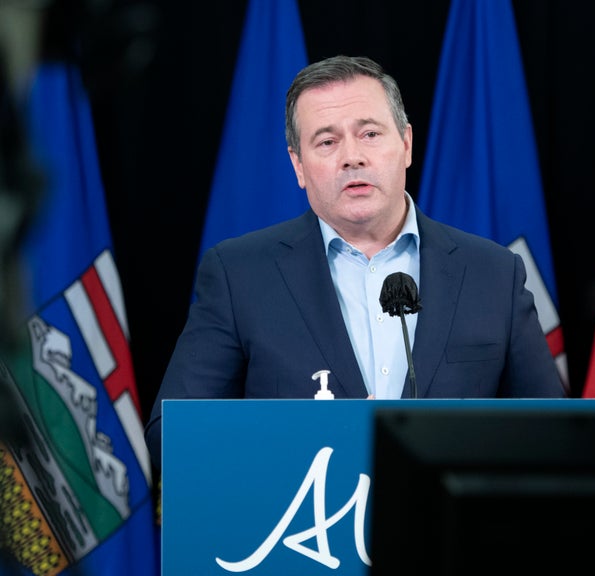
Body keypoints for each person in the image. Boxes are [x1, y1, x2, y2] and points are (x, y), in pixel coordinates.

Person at [144, 55, 566, 469]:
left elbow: (553, 434)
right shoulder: (239, 275)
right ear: (298, 166)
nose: (352, 157)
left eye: (369, 134)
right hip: (302, 530)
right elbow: (172, 436)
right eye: (327, 142)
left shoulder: (493, 273)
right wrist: (317, 439)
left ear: (406, 144)